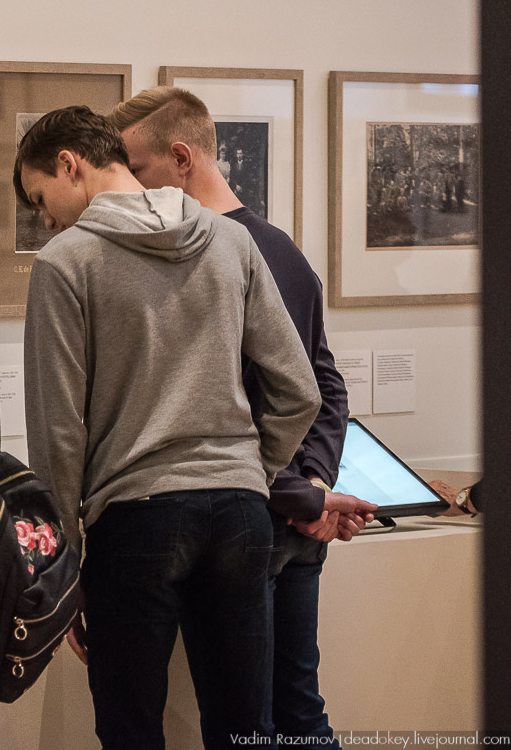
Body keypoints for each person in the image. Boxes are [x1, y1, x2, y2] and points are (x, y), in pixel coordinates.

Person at [14, 105, 321, 750]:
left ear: (69, 163)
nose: (44, 219)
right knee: (247, 731)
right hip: (239, 516)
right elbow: (298, 390)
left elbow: (58, 435)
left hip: (134, 519)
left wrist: (66, 563)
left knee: (132, 733)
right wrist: (247, 472)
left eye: (41, 197)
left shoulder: (64, 262)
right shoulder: (231, 241)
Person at [111, 88, 377, 748]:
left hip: (244, 523)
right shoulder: (280, 247)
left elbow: (284, 396)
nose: (128, 191)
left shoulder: (221, 254)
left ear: (179, 158)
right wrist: (309, 490)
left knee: (249, 727)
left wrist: (298, 492)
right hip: (283, 514)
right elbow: (324, 388)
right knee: (294, 713)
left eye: (135, 172)